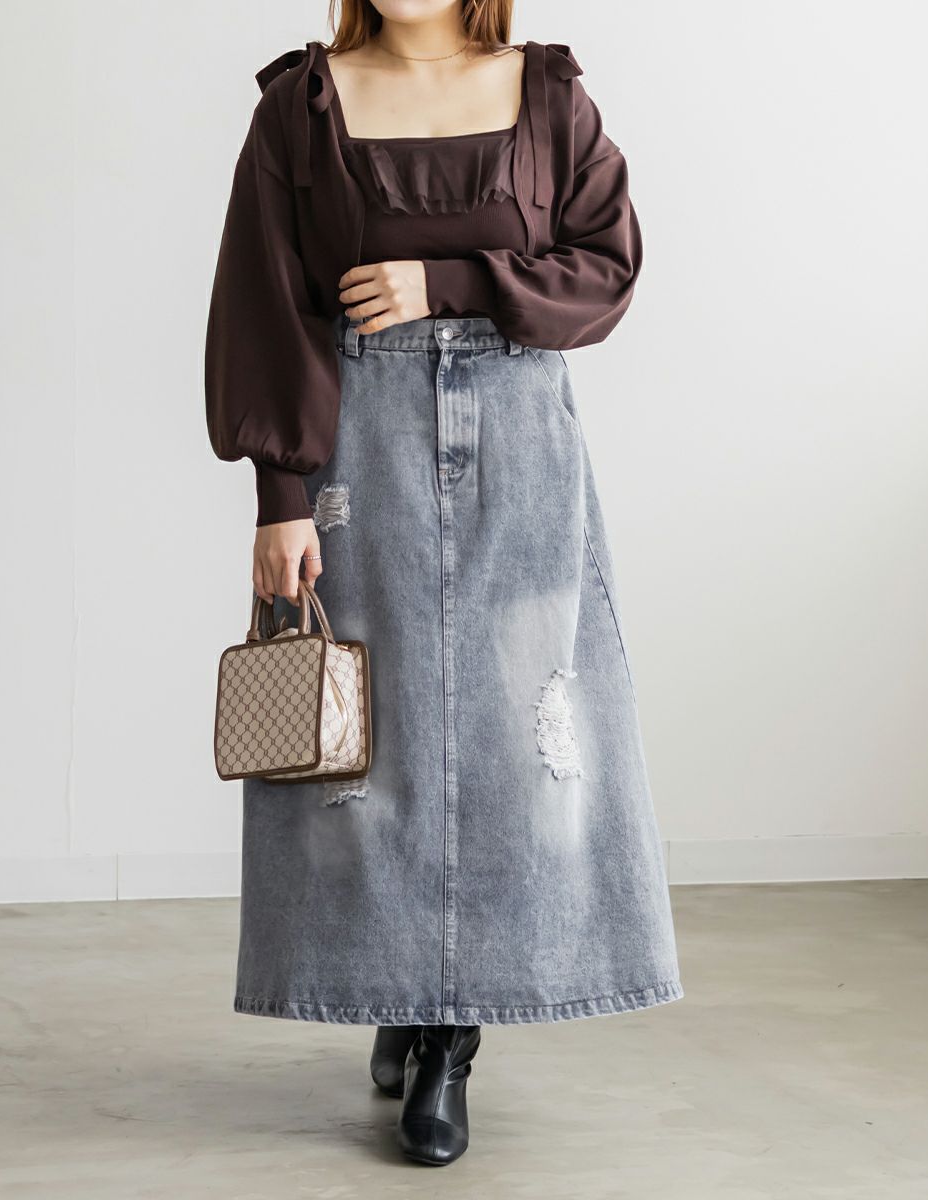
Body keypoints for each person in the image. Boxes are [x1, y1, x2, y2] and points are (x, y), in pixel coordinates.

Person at [204, 0, 684, 1168]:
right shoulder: (301, 108)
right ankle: (402, 988)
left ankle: (449, 1038)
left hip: (521, 449)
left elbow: (606, 268)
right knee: (369, 746)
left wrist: (449, 281)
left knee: (515, 745)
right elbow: (267, 302)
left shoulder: (549, 97)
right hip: (356, 447)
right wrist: (278, 496)